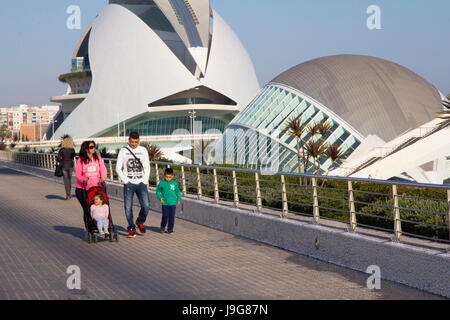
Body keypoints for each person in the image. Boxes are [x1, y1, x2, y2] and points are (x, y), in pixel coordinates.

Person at [116, 132, 151, 238]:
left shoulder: (143, 150)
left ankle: (140, 221)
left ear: (139, 141)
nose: (134, 144)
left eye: (136, 142)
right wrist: (125, 180)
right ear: (129, 140)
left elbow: (147, 167)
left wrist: (144, 181)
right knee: (128, 207)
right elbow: (118, 168)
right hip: (129, 183)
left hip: (141, 183)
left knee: (146, 206)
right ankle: (131, 227)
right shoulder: (123, 151)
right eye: (132, 142)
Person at [75, 141, 108, 214]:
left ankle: (98, 223)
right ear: (86, 149)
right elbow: (77, 174)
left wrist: (103, 177)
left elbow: (103, 168)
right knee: (87, 210)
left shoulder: (97, 158)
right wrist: (83, 179)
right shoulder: (81, 160)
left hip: (96, 188)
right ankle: (89, 224)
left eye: (94, 146)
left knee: (98, 208)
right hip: (83, 189)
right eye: (91, 147)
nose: (94, 148)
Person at [156, 168, 182, 234]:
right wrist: (160, 198)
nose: (168, 178)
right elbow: (158, 191)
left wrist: (179, 199)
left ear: (172, 176)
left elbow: (178, 191)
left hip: (173, 203)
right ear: (164, 175)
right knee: (165, 216)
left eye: (170, 177)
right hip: (165, 203)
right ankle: (162, 226)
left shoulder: (174, 183)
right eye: (167, 177)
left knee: (171, 217)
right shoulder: (162, 183)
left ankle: (170, 229)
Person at [57, 136, 76, 200]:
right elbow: (73, 156)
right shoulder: (72, 150)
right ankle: (69, 194)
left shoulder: (62, 150)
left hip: (64, 166)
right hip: (70, 165)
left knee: (66, 181)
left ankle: (68, 195)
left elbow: (58, 158)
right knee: (69, 180)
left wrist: (62, 161)